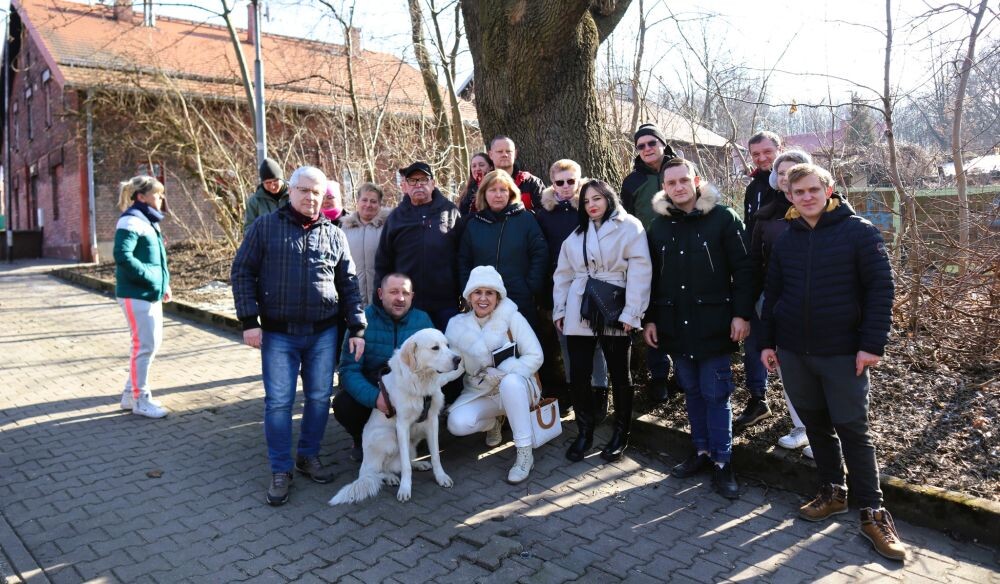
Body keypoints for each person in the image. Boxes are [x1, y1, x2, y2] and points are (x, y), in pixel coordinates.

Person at [759, 163, 903, 561]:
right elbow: (772, 296)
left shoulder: (859, 232)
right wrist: (767, 342)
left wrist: (871, 344)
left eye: (812, 189)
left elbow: (881, 291)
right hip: (794, 352)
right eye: (797, 192)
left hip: (843, 353)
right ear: (788, 196)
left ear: (829, 188)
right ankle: (832, 491)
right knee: (816, 427)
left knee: (853, 429)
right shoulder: (787, 239)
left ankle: (873, 513)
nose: (805, 197)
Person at [231, 165, 367, 507]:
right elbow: (242, 272)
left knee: (320, 398)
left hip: (323, 333)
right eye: (304, 190)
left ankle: (308, 456)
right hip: (278, 334)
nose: (310, 197)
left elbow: (348, 283)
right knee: (278, 402)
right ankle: (280, 469)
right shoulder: (265, 228)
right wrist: (249, 321)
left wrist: (357, 326)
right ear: (290, 191)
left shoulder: (334, 234)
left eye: (317, 192)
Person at [644, 158, 753, 500]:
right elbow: (649, 278)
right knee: (691, 390)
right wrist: (649, 318)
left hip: (716, 324)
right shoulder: (658, 227)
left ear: (696, 180)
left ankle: (723, 461)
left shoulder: (723, 219)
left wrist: (742, 314)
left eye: (683, 180)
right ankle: (701, 451)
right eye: (671, 183)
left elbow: (746, 271)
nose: (678, 187)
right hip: (675, 323)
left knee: (716, 393)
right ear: (664, 188)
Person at [553, 180, 651, 463]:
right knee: (580, 373)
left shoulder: (630, 226)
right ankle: (585, 432)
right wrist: (560, 310)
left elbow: (640, 270)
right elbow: (562, 275)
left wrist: (633, 312)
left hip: (615, 304)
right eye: (586, 201)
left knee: (620, 373)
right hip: (579, 307)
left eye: (597, 198)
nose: (592, 205)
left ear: (608, 198)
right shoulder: (575, 235)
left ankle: (621, 433)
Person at [446, 266, 544, 484]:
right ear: (469, 296)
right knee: (456, 423)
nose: (483, 298)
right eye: (477, 292)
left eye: (489, 293)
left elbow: (536, 355)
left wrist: (504, 371)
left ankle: (525, 453)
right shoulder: (457, 325)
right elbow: (455, 366)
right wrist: (429, 379)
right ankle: (494, 422)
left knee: (510, 383)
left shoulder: (512, 318)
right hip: (481, 392)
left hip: (520, 390)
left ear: (498, 297)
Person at [749, 150, 813, 456]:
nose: (788, 177)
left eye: (795, 170)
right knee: (788, 367)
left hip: (821, 306)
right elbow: (754, 263)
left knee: (822, 368)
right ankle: (802, 426)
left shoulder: (831, 210)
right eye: (783, 172)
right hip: (777, 304)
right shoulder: (766, 216)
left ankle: (827, 433)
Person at [333, 273, 434, 462]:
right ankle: (361, 439)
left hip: (411, 390)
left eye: (405, 292)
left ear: (412, 295)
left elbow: (437, 363)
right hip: (375, 385)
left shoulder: (423, 321)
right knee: (343, 403)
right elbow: (348, 370)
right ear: (380, 293)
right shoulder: (361, 322)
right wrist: (375, 398)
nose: (400, 298)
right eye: (393, 292)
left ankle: (415, 438)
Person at [535, 160, 609, 411]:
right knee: (565, 339)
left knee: (596, 339)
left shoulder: (589, 207)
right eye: (560, 182)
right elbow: (541, 252)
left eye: (571, 181)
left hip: (592, 282)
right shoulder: (544, 214)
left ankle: (600, 390)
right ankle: (574, 389)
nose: (566, 187)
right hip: (560, 286)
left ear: (579, 181)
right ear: (552, 183)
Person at [621, 123, 680, 403]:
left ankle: (683, 370)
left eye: (651, 143)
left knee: (682, 310)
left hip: (684, 252)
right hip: (650, 256)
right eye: (641, 145)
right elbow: (626, 221)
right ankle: (659, 376)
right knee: (653, 314)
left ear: (662, 144)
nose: (647, 149)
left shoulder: (681, 170)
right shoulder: (632, 182)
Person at [374, 161, 463, 332]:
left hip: (446, 304)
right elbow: (383, 263)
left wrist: (465, 294)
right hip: (407, 304)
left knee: (448, 354)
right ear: (405, 186)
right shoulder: (396, 218)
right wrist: (380, 303)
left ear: (433, 183)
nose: (418, 185)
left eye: (423, 180)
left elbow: (463, 256)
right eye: (413, 181)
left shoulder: (450, 212)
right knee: (413, 355)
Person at [733, 130, 783, 431]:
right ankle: (758, 398)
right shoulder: (753, 189)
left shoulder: (791, 182)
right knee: (753, 335)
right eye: (756, 154)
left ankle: (805, 414)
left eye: (767, 151)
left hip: (789, 275)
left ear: (780, 149)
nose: (762, 158)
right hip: (758, 273)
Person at [458, 169, 548, 329]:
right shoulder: (473, 224)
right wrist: (469, 290)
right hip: (482, 300)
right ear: (484, 193)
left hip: (520, 299)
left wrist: (530, 287)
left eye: (503, 190)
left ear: (511, 193)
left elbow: (539, 254)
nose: (498, 195)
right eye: (492, 190)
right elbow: (463, 261)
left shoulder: (526, 219)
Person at [114, 175, 172, 419]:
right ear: (141, 197)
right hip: (136, 293)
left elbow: (157, 258)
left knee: (149, 344)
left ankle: (130, 395)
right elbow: (122, 255)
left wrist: (164, 283)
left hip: (149, 293)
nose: (161, 198)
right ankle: (141, 400)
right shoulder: (131, 220)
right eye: (157, 194)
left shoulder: (148, 220)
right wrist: (151, 277)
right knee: (144, 346)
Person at [341, 183, 390, 303]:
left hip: (383, 297)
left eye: (373, 201)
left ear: (379, 204)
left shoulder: (389, 227)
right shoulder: (345, 229)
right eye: (364, 200)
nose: (368, 205)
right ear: (357, 201)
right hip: (353, 298)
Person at [488, 136, 545, 211]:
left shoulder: (532, 183)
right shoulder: (481, 185)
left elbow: (544, 214)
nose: (505, 154)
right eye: (500, 151)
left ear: (515, 154)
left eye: (508, 151)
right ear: (490, 155)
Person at [243, 158, 288, 236]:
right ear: (262, 182)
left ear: (281, 178)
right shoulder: (254, 201)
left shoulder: (295, 195)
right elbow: (249, 229)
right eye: (268, 183)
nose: (272, 186)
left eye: (275, 181)